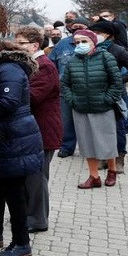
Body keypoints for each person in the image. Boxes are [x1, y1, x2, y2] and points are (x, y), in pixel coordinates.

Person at [0, 35, 43, 256]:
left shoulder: (9, 69)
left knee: (14, 192)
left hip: (14, 139)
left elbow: (8, 103)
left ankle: (22, 244)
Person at [60, 29, 123, 188]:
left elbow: (117, 83)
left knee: (107, 141)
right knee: (86, 143)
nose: (80, 44)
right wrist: (72, 99)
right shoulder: (72, 60)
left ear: (93, 42)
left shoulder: (106, 57)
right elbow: (64, 84)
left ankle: (112, 170)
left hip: (103, 108)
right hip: (80, 108)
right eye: (77, 42)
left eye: (84, 41)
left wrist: (107, 99)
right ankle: (94, 177)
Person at [14, 27, 62, 233]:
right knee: (29, 175)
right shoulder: (31, 64)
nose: (16, 46)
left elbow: (33, 96)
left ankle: (38, 219)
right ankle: (28, 214)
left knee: (37, 177)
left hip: (43, 129)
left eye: (21, 43)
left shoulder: (44, 66)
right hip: (33, 129)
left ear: (34, 45)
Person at [88, 20, 128, 173]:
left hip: (115, 94)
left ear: (108, 35)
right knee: (99, 127)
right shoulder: (91, 49)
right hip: (96, 94)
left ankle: (119, 159)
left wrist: (119, 80)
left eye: (98, 33)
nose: (95, 35)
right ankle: (104, 157)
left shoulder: (118, 50)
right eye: (93, 33)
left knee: (117, 127)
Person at [49, 16, 90, 157]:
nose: (77, 29)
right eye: (75, 27)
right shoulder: (62, 44)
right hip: (65, 89)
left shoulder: (92, 43)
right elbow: (51, 64)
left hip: (88, 89)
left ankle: (89, 148)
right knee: (66, 120)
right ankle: (67, 147)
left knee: (87, 120)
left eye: (81, 27)